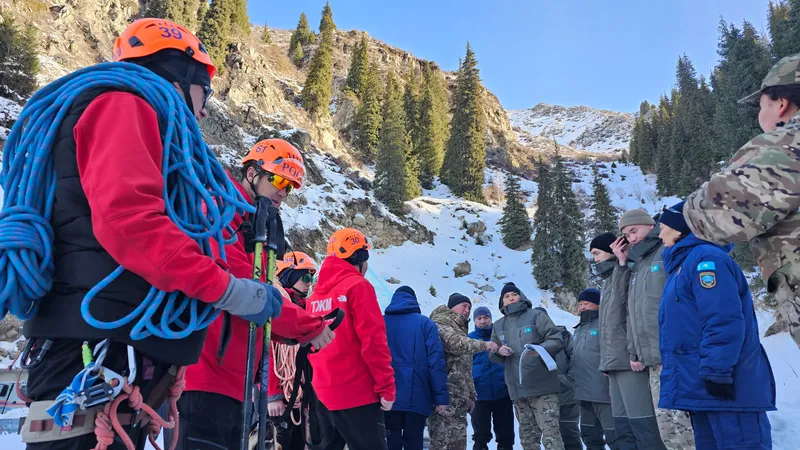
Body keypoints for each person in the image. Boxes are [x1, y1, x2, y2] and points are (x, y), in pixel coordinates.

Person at [19, 19, 283, 450]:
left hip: (108, 344)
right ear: (180, 73)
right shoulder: (124, 104)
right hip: (100, 344)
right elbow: (132, 222)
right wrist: (228, 290)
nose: (203, 110)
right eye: (205, 92)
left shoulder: (128, 111)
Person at [176, 142, 335, 450]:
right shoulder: (223, 214)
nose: (284, 192)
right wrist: (309, 327)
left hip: (232, 380)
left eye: (290, 187)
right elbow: (247, 294)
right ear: (252, 173)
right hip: (208, 377)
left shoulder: (251, 226)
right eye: (278, 180)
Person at [683, 53, 800, 350]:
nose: (759, 114)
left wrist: (680, 215)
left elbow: (715, 216)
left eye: (761, 105)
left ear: (781, 103)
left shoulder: (786, 143)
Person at [658, 202, 776, 450]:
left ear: (682, 228)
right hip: (701, 388)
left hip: (725, 387)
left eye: (663, 228)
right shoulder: (684, 265)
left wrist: (717, 370)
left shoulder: (707, 260)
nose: (659, 235)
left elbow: (723, 318)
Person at [305, 228, 395, 450]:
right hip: (357, 394)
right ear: (359, 256)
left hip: (322, 395)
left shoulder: (314, 298)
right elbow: (374, 343)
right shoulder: (358, 286)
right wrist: (386, 387)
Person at [611, 209, 693, 449]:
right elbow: (627, 307)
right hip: (653, 361)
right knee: (668, 431)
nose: (632, 238)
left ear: (649, 225)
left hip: (675, 355)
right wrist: (622, 262)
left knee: (688, 429)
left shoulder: (667, 251)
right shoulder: (638, 263)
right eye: (626, 235)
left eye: (634, 231)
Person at [489, 283, 565, 450]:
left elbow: (556, 339)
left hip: (542, 388)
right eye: (506, 296)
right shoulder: (498, 325)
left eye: (514, 294)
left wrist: (540, 350)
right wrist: (499, 351)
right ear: (502, 302)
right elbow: (493, 353)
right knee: (528, 439)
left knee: (551, 437)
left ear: (521, 296)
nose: (511, 298)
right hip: (517, 392)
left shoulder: (536, 316)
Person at [267, 251, 324, 450]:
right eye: (305, 278)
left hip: (300, 394)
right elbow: (269, 352)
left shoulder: (306, 309)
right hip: (279, 396)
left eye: (312, 279)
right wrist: (273, 395)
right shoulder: (277, 305)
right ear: (288, 276)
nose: (309, 283)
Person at [429, 294, 499, 450]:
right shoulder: (441, 322)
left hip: (460, 397)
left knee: (458, 444)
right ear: (452, 306)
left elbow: (465, 368)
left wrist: (471, 395)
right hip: (445, 395)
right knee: (442, 443)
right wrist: (484, 345)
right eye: (463, 306)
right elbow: (454, 343)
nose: (467, 310)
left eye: (469, 307)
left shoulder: (460, 328)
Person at [384, 286, 449, 450]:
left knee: (389, 442)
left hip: (387, 396)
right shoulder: (425, 324)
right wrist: (440, 398)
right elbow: (436, 362)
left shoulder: (380, 322)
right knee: (414, 441)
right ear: (414, 301)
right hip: (418, 395)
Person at [591, 232, 637, 449]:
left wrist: (621, 262)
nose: (595, 259)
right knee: (622, 428)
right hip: (614, 362)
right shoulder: (607, 280)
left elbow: (628, 314)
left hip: (630, 361)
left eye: (597, 253)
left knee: (640, 426)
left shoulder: (627, 270)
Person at [572, 288, 620, 450]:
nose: (582, 307)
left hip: (604, 393)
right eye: (580, 304)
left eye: (586, 303)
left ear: (598, 304)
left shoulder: (605, 323)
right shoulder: (578, 328)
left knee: (615, 438)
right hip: (583, 394)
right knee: (589, 437)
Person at [533, 307, 580, 450]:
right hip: (541, 396)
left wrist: (568, 380)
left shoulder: (563, 335)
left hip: (566, 394)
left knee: (569, 433)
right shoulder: (529, 342)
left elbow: (576, 358)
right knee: (550, 438)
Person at [469, 306, 515, 450]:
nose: (483, 321)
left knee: (506, 435)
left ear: (490, 318)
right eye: (479, 318)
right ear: (474, 321)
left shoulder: (501, 337)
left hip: (502, 394)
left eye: (486, 317)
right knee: (480, 436)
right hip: (479, 395)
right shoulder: (469, 339)